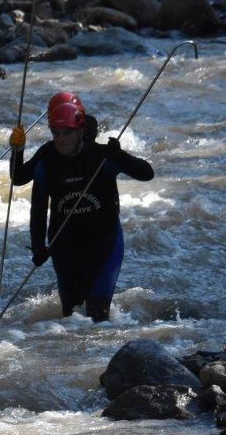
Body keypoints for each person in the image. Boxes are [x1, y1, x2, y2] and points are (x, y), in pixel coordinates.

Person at [29, 102, 153, 322]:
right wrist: (38, 246)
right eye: (56, 133)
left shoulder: (103, 157)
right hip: (65, 247)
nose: (61, 139)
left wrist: (121, 156)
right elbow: (38, 211)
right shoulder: (46, 166)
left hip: (104, 243)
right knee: (70, 319)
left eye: (67, 133)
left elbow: (147, 174)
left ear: (81, 132)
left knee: (97, 316)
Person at [9, 91, 101, 186]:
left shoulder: (51, 150)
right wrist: (18, 151)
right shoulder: (49, 150)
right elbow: (19, 178)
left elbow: (19, 178)